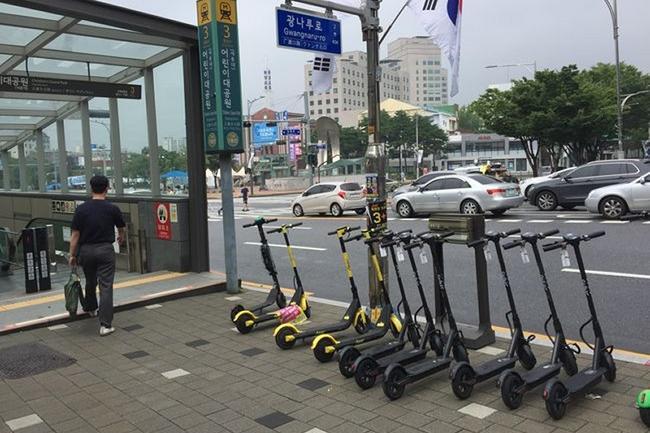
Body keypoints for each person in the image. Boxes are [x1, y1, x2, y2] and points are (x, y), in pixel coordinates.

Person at [69, 175, 125, 336]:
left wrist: (72, 255)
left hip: (86, 251)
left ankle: (91, 308)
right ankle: (105, 325)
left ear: (91, 188)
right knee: (105, 286)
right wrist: (121, 237)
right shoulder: (112, 208)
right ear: (107, 188)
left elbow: (75, 235)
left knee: (90, 280)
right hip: (105, 250)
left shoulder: (81, 209)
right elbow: (121, 228)